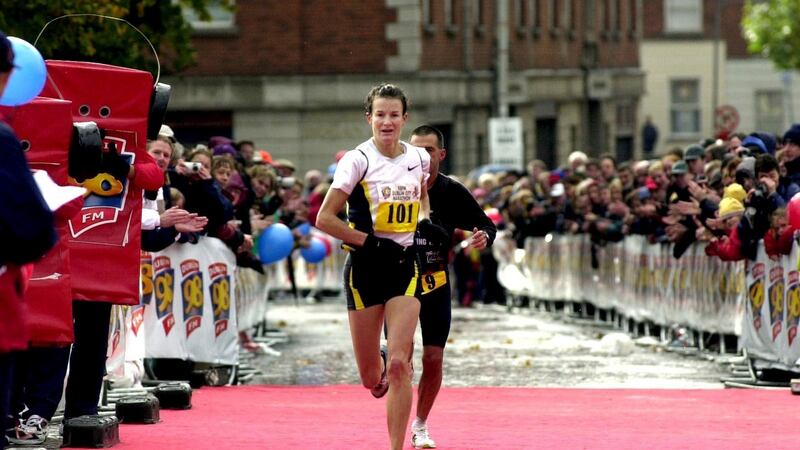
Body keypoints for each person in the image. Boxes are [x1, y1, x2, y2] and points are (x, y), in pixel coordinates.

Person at [316, 83, 430, 450]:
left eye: (393, 115)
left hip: (405, 267)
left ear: (404, 119)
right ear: (369, 118)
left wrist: (424, 222)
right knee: (372, 379)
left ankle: (396, 447)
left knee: (401, 365)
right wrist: (369, 241)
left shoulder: (419, 158)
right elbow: (325, 218)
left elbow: (422, 194)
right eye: (380, 114)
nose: (386, 121)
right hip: (365, 269)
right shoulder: (357, 160)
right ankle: (376, 363)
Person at [408, 125, 496, 449]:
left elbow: (486, 223)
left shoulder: (450, 190)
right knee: (401, 361)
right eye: (416, 149)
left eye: (428, 150)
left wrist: (484, 237)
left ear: (441, 155)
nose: (422, 157)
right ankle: (396, 417)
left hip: (435, 282)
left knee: (433, 358)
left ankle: (420, 424)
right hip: (399, 282)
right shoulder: (395, 185)